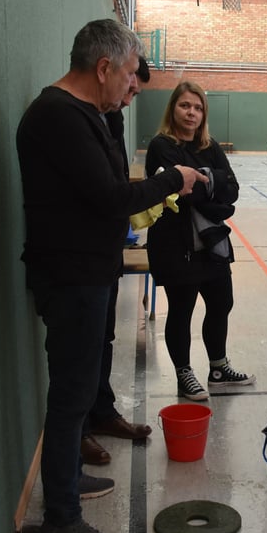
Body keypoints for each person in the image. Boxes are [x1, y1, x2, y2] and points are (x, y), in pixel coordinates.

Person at [16, 19, 205, 533]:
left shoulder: (87, 114)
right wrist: (174, 179)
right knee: (70, 394)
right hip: (70, 277)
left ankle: (68, 479)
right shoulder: (58, 116)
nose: (132, 85)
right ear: (103, 67)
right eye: (127, 75)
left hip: (88, 272)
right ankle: (61, 519)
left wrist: (119, 110)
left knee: (79, 390)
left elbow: (110, 180)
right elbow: (111, 197)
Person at [145, 81, 255, 402]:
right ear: (173, 109)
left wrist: (201, 179)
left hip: (211, 241)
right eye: (185, 106)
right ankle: (184, 374)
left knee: (222, 302)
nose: (191, 113)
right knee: (182, 309)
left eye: (197, 108)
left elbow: (232, 190)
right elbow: (184, 192)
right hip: (176, 243)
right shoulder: (161, 146)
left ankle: (218, 368)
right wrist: (211, 182)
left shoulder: (210, 146)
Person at [80, 61, 157, 468]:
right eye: (128, 88)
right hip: (79, 264)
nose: (128, 99)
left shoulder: (111, 118)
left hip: (106, 255)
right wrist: (166, 184)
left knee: (104, 340)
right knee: (81, 353)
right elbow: (110, 194)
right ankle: (80, 432)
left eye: (135, 94)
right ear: (106, 70)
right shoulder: (73, 120)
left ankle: (102, 411)